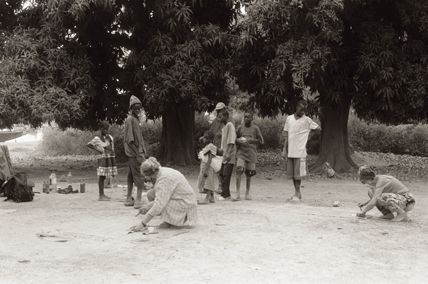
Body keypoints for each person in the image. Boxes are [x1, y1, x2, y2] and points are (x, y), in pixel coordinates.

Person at [130, 157, 197, 231]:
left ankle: (175, 221)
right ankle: (169, 219)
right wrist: (148, 207)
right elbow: (160, 196)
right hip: (180, 198)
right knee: (150, 194)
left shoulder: (164, 179)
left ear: (153, 173)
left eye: (147, 176)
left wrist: (142, 224)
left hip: (186, 204)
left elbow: (159, 205)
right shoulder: (161, 170)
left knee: (160, 204)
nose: (146, 178)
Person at [282, 100, 319, 201]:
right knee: (293, 174)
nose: (303, 112)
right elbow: (286, 135)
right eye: (301, 109)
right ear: (296, 108)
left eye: (304, 110)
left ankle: (298, 192)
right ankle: (296, 192)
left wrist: (308, 135)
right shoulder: (289, 119)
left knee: (298, 174)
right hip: (290, 150)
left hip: (300, 151)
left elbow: (317, 128)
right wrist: (284, 149)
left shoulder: (307, 120)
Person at [233, 112, 264, 201]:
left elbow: (261, 141)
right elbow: (234, 138)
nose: (246, 118)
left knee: (249, 174)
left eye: (248, 117)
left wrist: (251, 140)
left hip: (251, 153)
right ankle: (237, 193)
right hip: (241, 153)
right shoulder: (240, 127)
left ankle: (247, 193)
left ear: (252, 118)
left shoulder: (255, 128)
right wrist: (238, 140)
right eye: (245, 117)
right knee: (239, 170)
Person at [124, 95, 147, 208]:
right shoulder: (130, 120)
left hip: (134, 153)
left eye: (139, 108)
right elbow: (130, 140)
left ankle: (129, 198)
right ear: (131, 108)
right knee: (139, 176)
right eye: (135, 108)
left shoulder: (135, 120)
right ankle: (138, 200)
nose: (138, 110)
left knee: (131, 176)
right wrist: (138, 155)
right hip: (135, 153)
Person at [197, 131, 222, 204]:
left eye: (206, 138)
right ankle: (212, 197)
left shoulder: (211, 146)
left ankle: (207, 198)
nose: (204, 139)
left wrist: (206, 170)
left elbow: (210, 158)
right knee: (206, 180)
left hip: (208, 166)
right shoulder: (207, 146)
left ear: (211, 139)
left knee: (207, 181)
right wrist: (202, 138)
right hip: (204, 166)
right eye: (204, 137)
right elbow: (200, 140)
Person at [218, 108, 236, 200]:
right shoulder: (224, 127)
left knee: (226, 175)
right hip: (224, 155)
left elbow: (231, 141)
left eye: (220, 116)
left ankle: (226, 195)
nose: (219, 118)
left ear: (226, 116)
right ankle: (223, 193)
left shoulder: (230, 125)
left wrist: (228, 154)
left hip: (229, 155)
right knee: (222, 174)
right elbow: (223, 143)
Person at [96, 121, 118, 201]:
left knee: (104, 176)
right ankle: (101, 195)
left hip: (108, 158)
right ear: (101, 129)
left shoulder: (109, 137)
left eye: (107, 129)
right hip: (102, 159)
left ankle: (103, 194)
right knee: (101, 176)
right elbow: (99, 149)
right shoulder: (98, 138)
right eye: (104, 129)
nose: (106, 131)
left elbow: (112, 148)